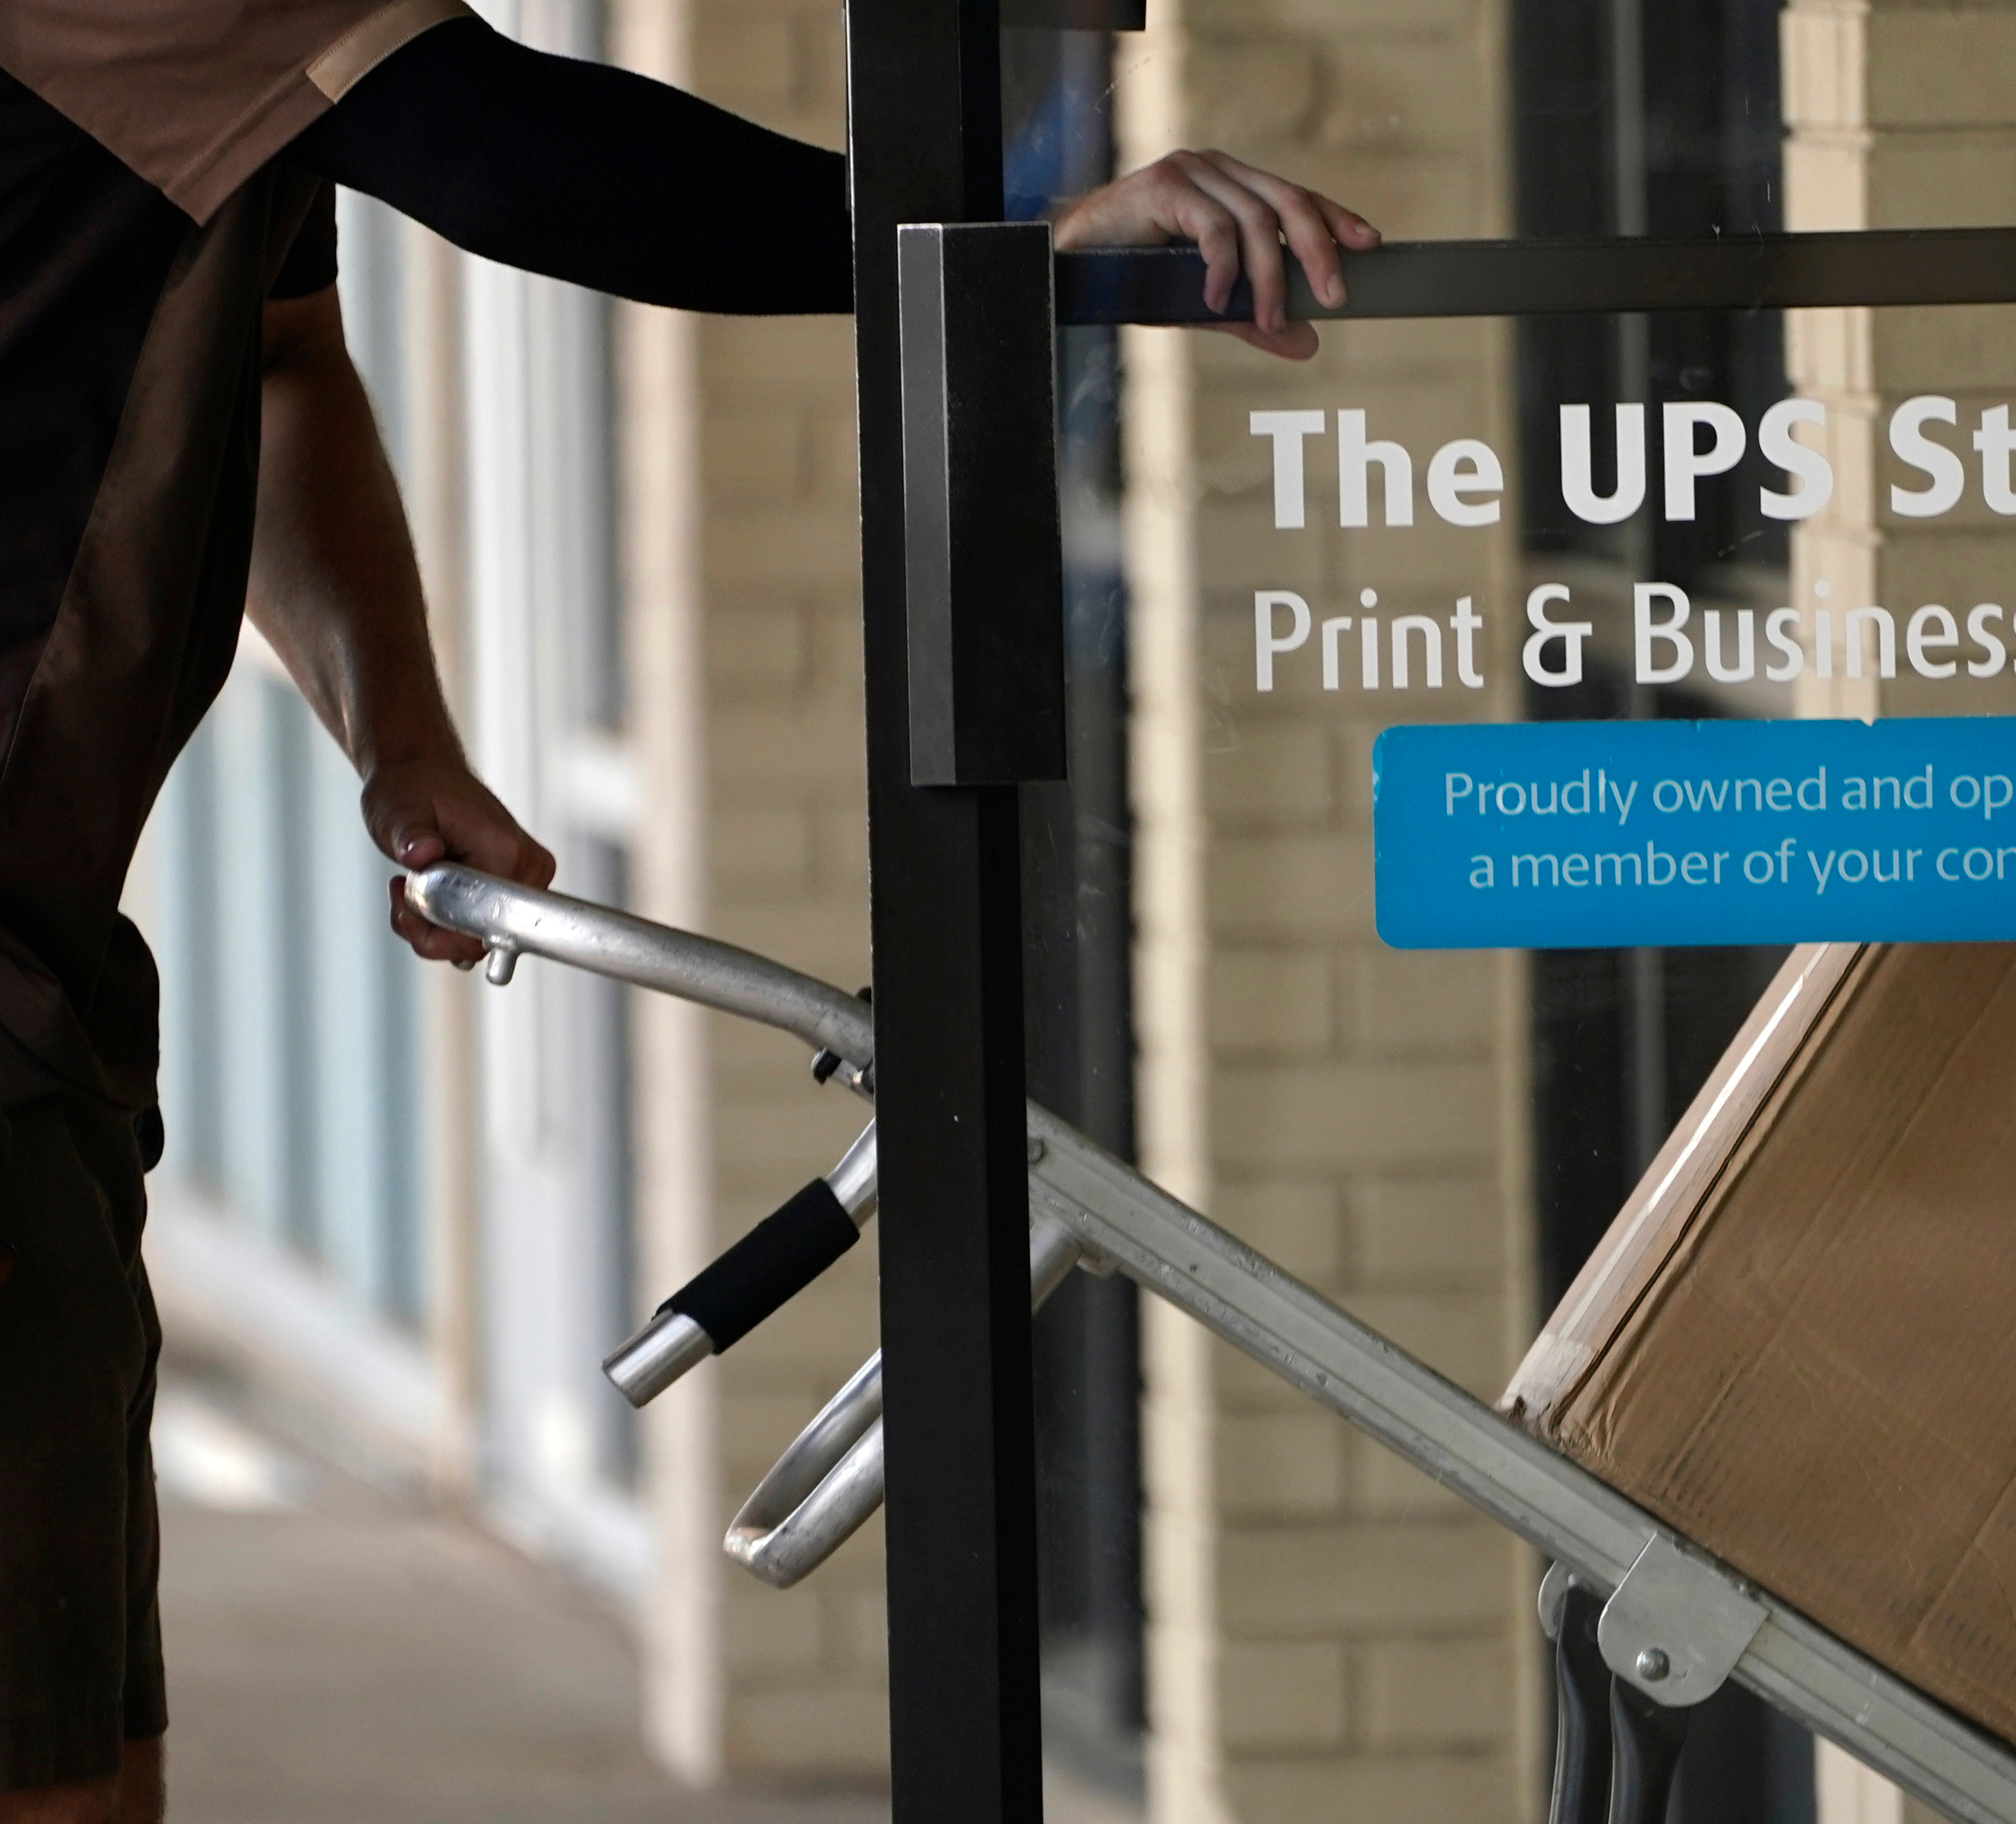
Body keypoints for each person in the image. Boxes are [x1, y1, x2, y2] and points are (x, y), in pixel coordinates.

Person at [0, 5, 1375, 1819]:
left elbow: (276, 363)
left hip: (47, 998)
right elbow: (518, 159)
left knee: (79, 1754)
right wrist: (1015, 240)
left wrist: (400, 738)